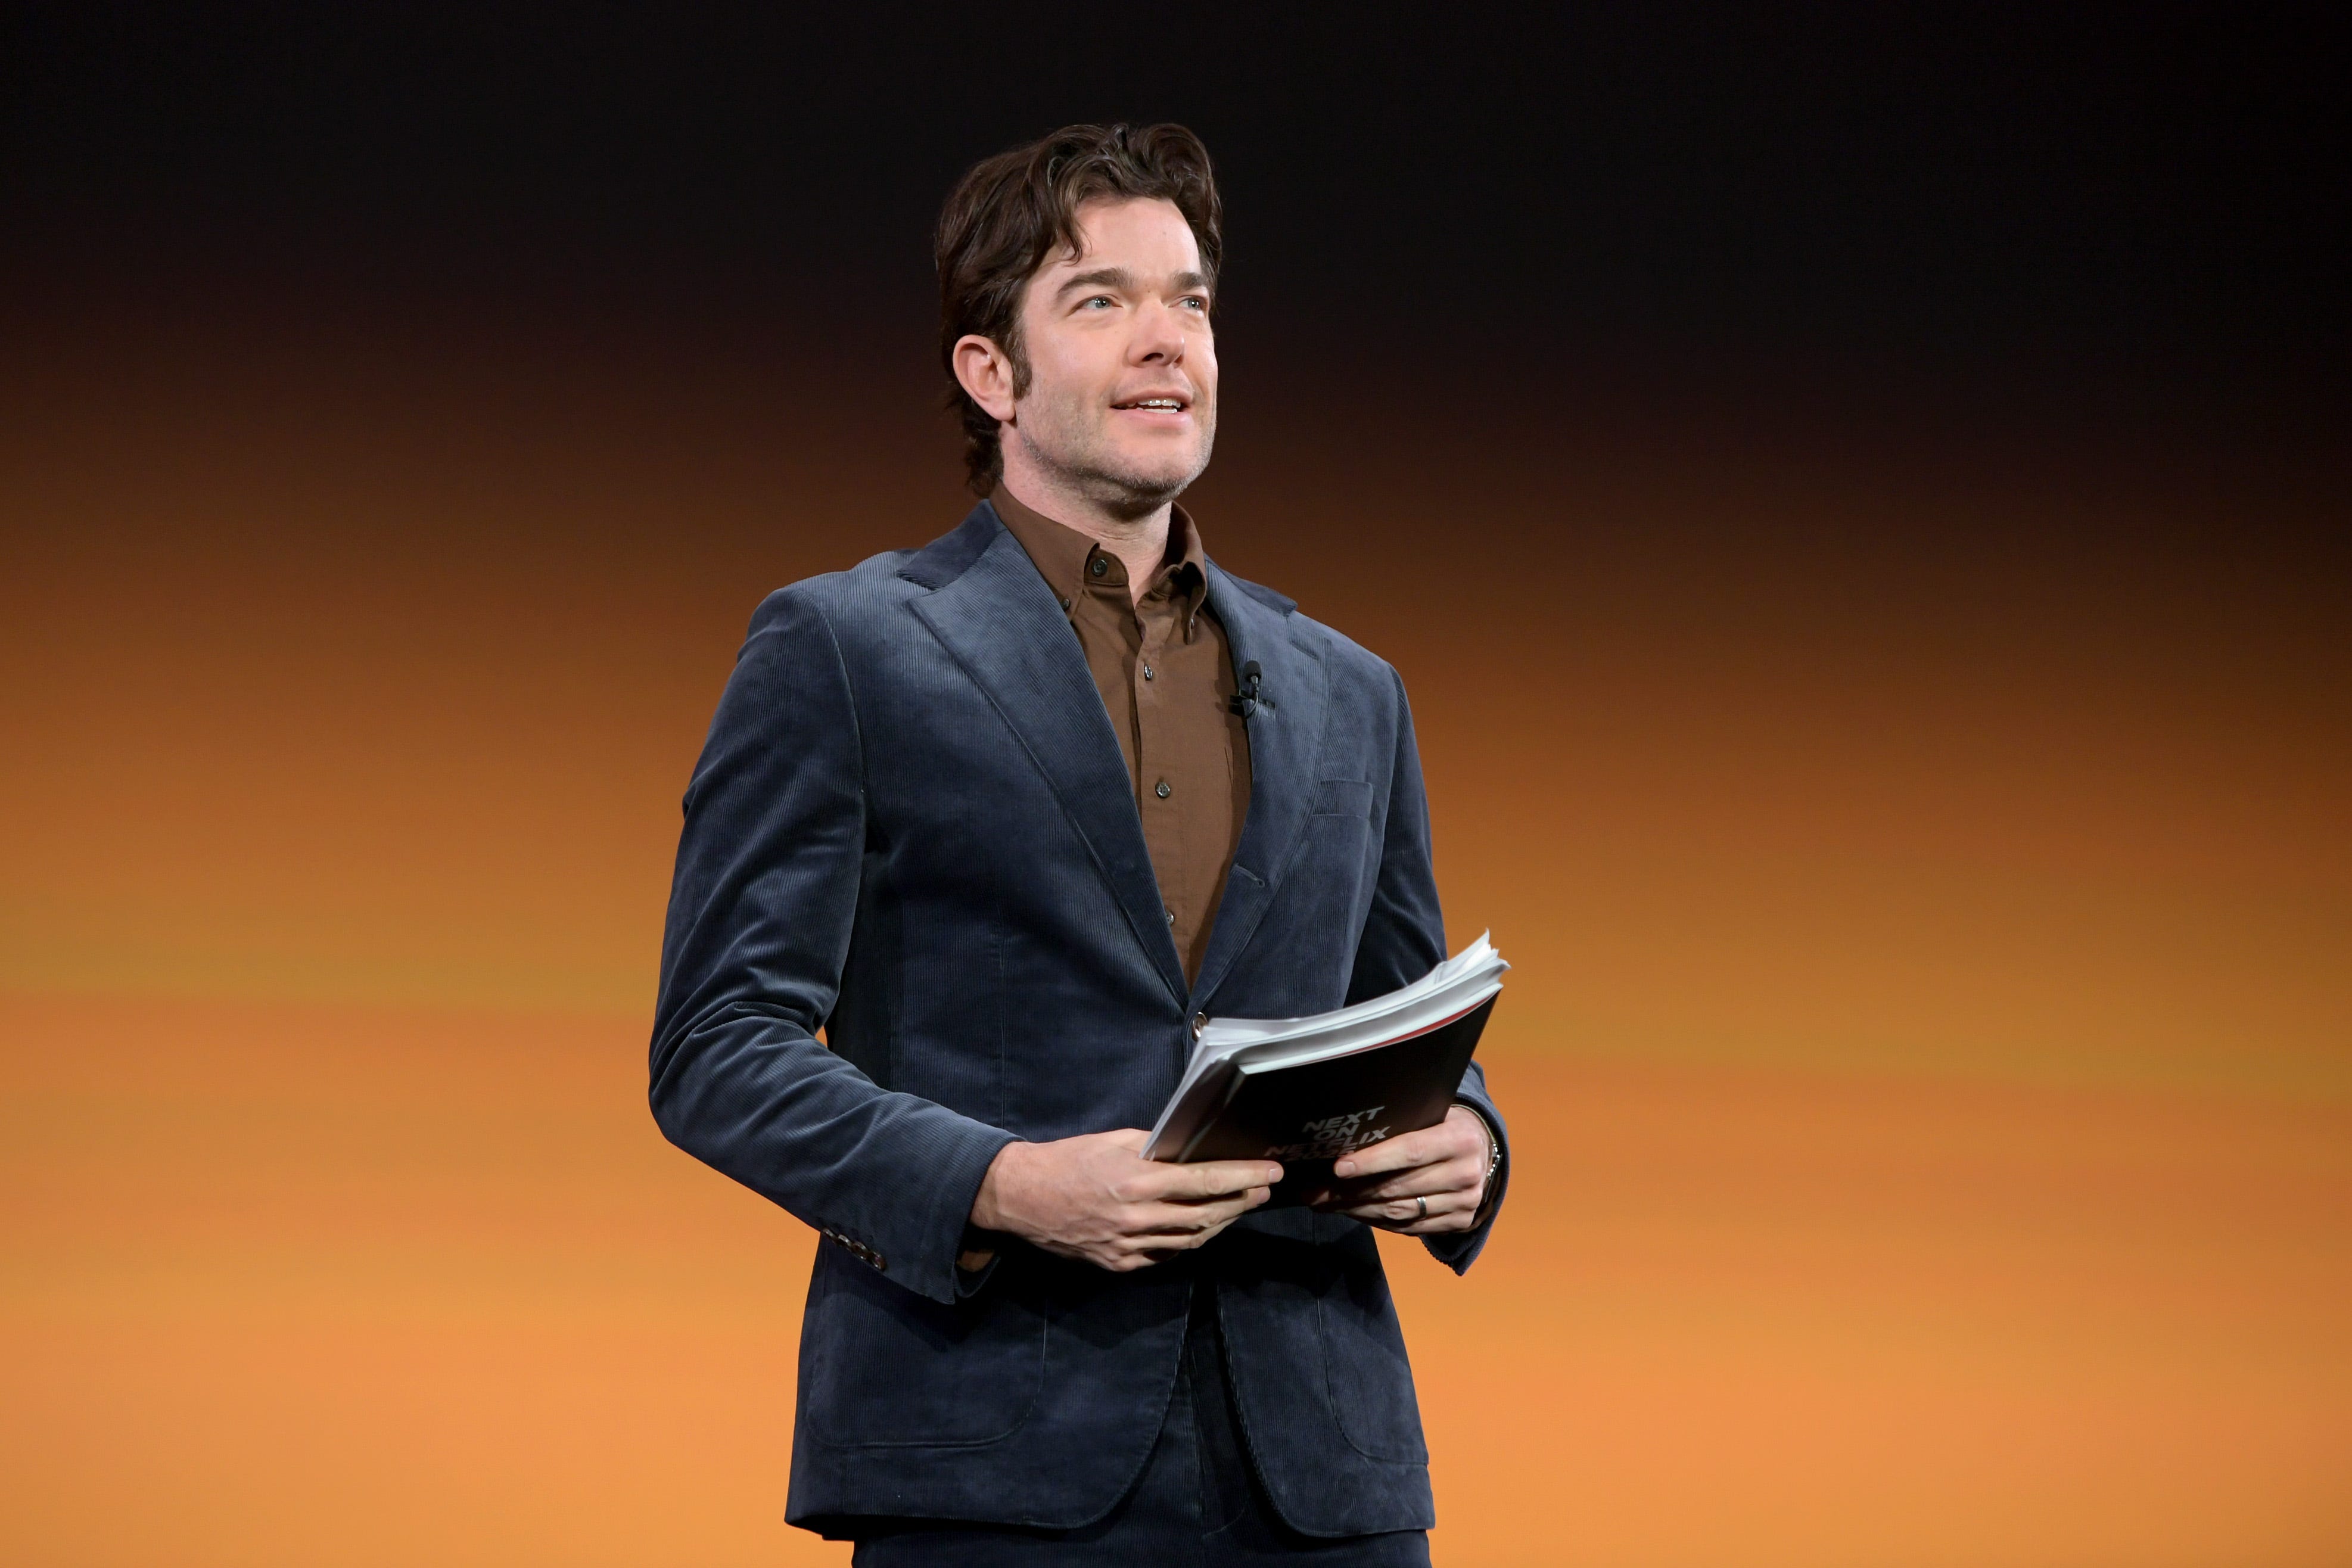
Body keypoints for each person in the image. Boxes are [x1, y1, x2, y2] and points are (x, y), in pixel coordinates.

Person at [649, 122, 1509, 1565]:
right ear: (991, 374)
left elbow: (1407, 1020)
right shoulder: (847, 647)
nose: (1166, 339)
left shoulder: (1353, 688)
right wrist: (1004, 1183)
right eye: (1101, 300)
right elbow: (716, 1045)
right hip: (991, 1464)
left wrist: (1470, 1136)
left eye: (1191, 300)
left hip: (1322, 1476)